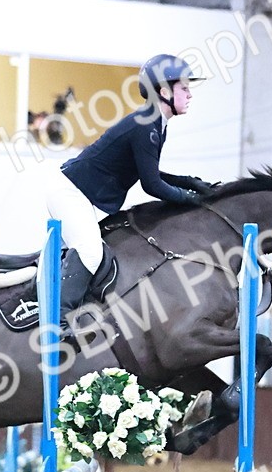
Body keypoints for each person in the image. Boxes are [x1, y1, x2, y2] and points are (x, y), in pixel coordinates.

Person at [46, 53, 216, 326]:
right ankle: (58, 322)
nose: (189, 95)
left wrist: (189, 182)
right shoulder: (147, 125)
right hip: (69, 192)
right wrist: (191, 200)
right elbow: (152, 185)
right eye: (184, 88)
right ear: (163, 91)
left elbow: (147, 172)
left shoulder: (155, 124)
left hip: (81, 194)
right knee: (90, 252)